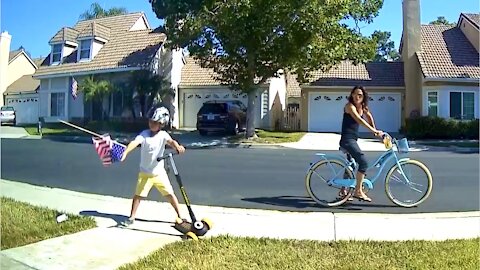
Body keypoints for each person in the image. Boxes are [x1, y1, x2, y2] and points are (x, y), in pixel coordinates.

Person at [120, 106, 185, 226]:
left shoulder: (163, 135)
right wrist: (125, 152)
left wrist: (178, 147)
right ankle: (132, 217)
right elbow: (134, 142)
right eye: (150, 121)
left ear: (161, 124)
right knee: (138, 196)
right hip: (145, 173)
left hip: (159, 173)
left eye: (154, 122)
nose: (151, 124)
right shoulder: (144, 134)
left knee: (170, 194)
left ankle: (180, 217)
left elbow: (172, 142)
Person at [339, 86, 383, 202]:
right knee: (363, 162)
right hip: (347, 140)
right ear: (351, 95)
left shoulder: (363, 107)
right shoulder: (349, 106)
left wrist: (375, 131)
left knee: (351, 165)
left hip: (353, 139)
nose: (356, 97)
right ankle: (358, 191)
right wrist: (373, 131)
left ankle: (343, 191)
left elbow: (369, 117)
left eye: (360, 95)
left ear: (363, 97)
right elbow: (359, 120)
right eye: (355, 94)